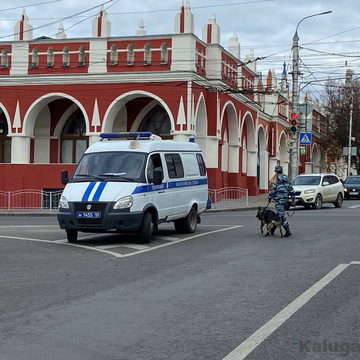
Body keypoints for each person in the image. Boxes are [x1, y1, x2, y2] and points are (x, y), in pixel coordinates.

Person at [268, 165, 295, 237]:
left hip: (279, 200)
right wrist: (293, 199)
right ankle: (273, 229)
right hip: (286, 200)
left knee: (282, 216)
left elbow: (272, 190)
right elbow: (291, 189)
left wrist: (270, 197)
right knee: (279, 214)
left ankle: (288, 231)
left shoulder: (275, 179)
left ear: (276, 171)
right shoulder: (287, 179)